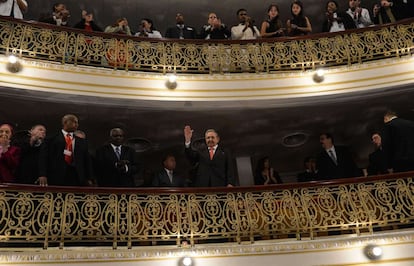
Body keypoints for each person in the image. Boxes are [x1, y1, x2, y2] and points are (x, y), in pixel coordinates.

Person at [38, 114, 93, 186]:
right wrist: (42, 174)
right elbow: (43, 158)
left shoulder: (82, 142)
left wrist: (89, 178)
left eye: (77, 122)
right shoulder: (51, 140)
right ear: (65, 122)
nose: (77, 124)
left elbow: (87, 160)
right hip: (56, 176)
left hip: (77, 177)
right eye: (74, 122)